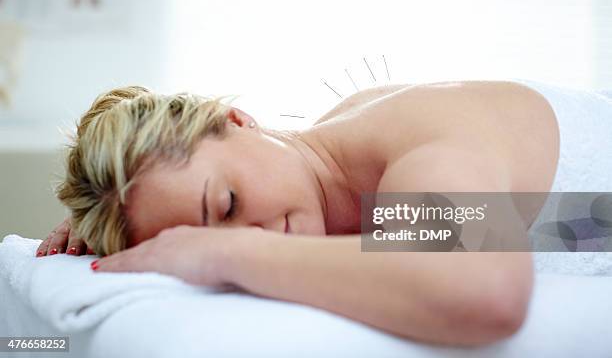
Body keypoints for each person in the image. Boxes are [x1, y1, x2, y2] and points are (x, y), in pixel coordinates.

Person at [36, 79, 576, 346]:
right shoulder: (328, 172)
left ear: (238, 119)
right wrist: (109, 221)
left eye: (228, 205)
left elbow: (487, 291)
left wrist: (225, 251)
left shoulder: (408, 148)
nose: (254, 231)